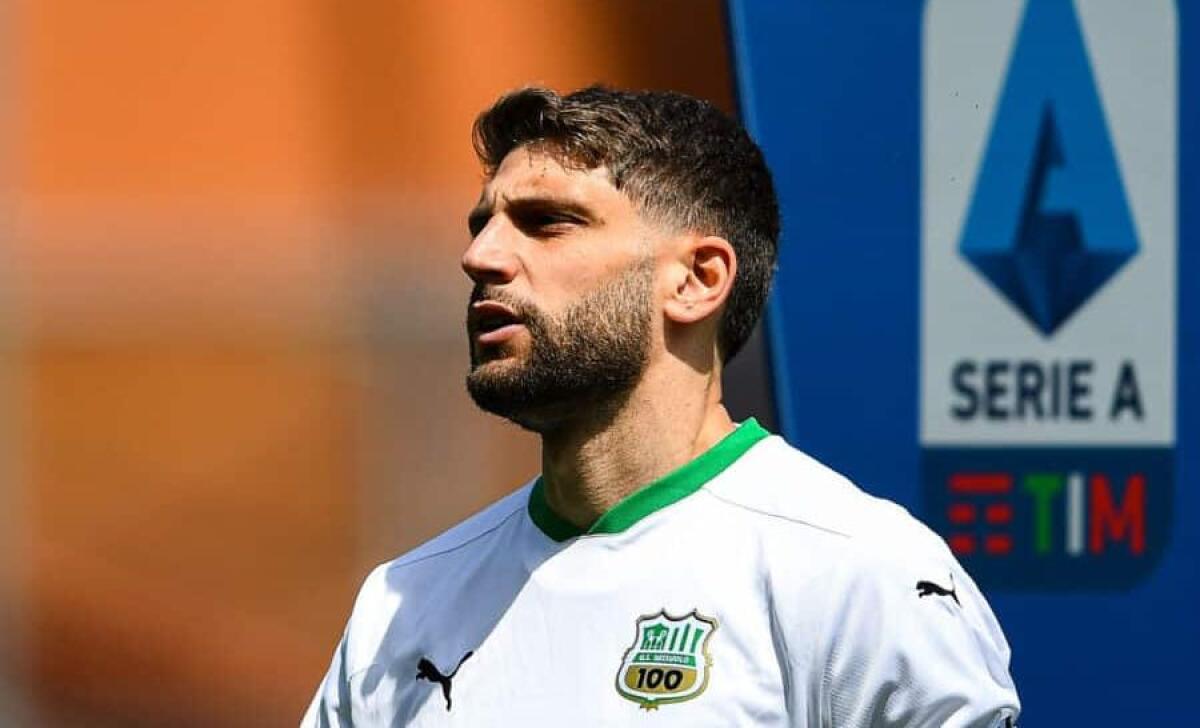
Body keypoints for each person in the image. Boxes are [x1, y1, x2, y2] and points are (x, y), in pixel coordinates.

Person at [302, 86, 1020, 727]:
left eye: (546, 221)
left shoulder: (859, 574)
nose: (481, 256)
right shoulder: (402, 603)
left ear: (696, 280)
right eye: (481, 224)